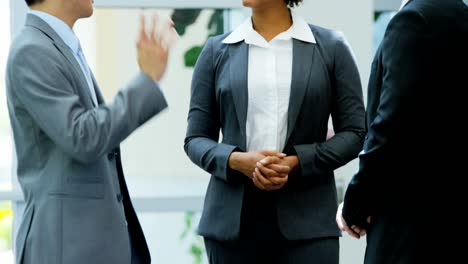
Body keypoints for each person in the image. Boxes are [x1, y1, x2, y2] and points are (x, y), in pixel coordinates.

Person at [184, 0, 366, 263]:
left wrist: (297, 162)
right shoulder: (216, 51)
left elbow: (354, 131)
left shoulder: (331, 47)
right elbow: (195, 139)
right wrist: (237, 160)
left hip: (309, 228)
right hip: (231, 228)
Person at [6, 0, 176, 263]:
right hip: (65, 247)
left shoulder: (62, 46)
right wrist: (147, 80)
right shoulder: (32, 50)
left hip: (92, 244)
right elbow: (82, 136)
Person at [337, 0, 468, 263]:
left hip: (407, 226)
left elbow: (390, 125)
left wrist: (355, 205)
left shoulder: (414, 20)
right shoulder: (460, 14)